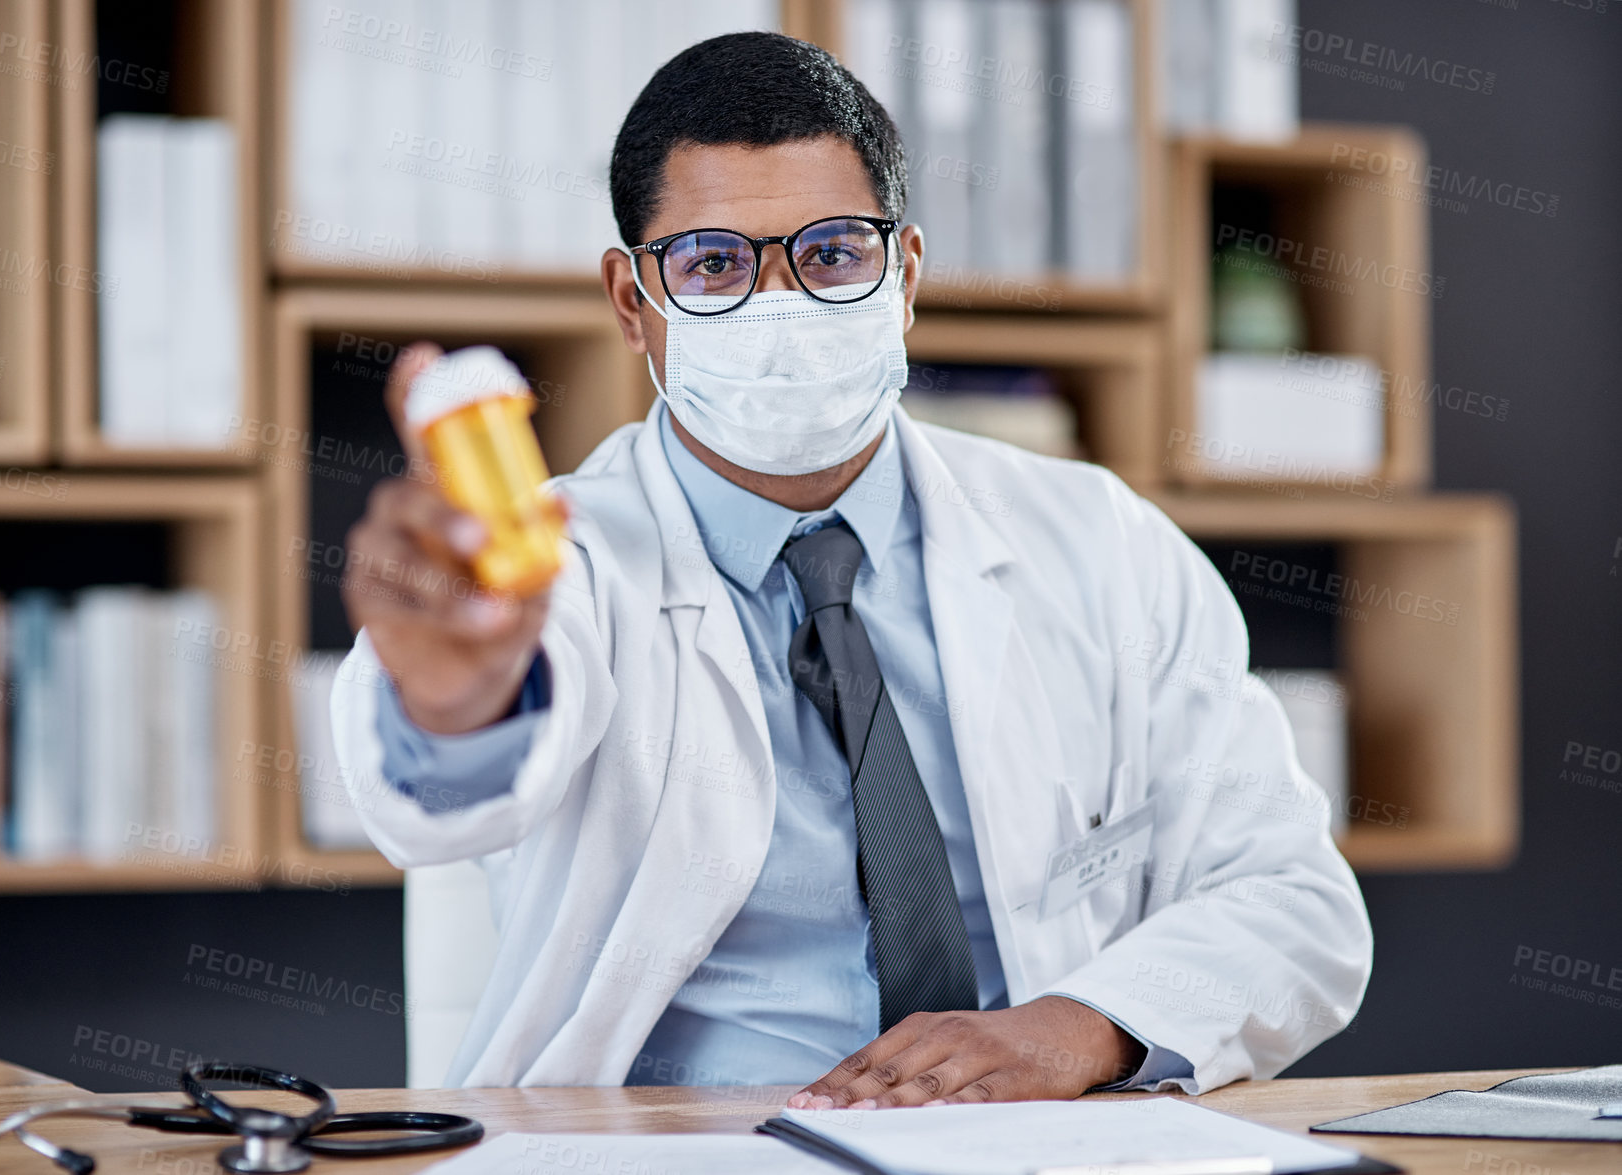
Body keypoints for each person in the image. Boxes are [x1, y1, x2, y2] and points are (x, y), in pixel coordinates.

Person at [333, 31, 1370, 1106]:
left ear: (906, 274)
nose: (778, 307)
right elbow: (446, 791)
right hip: (678, 1153)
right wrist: (454, 699)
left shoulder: (1100, 541)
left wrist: (1081, 1028)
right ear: (633, 301)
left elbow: (1293, 896)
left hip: (1032, 1139)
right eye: (714, 263)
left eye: (832, 253)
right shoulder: (565, 564)